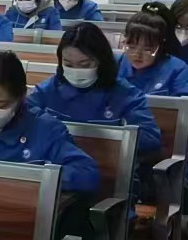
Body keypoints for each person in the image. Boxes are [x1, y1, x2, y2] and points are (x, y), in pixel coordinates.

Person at [0, 52, 100, 192]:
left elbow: (87, 174)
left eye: (1, 104)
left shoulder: (46, 130)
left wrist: (35, 177)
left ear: (22, 96)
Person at [118, 11, 188, 236]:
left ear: (162, 46)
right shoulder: (116, 64)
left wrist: (162, 107)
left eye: (148, 48)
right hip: (123, 150)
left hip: (164, 152)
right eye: (131, 46)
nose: (138, 54)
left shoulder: (176, 68)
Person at [26, 23, 162, 156]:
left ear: (101, 61)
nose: (76, 71)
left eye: (85, 64)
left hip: (109, 164)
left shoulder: (125, 94)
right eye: (68, 64)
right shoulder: (48, 90)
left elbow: (152, 139)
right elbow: (20, 122)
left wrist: (112, 137)